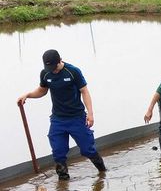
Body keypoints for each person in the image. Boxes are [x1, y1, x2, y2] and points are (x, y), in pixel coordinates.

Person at [17, 49, 106, 180]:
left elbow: (85, 92)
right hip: (58, 120)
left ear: (60, 61)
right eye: (49, 68)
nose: (53, 70)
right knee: (58, 152)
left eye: (54, 67)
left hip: (76, 118)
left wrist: (90, 114)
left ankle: (102, 172)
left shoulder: (73, 71)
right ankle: (63, 183)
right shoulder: (46, 73)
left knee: (87, 149)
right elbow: (42, 90)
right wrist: (28, 95)